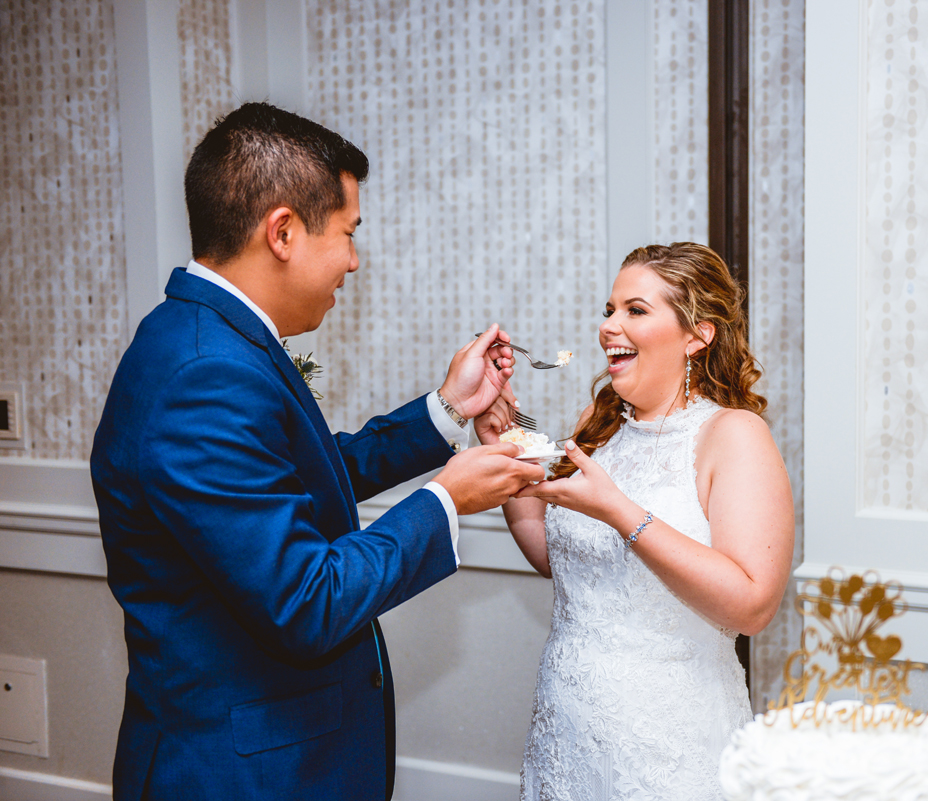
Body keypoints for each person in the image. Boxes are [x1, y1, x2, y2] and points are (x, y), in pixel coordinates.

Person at [90, 102, 544, 801]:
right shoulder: (204, 372)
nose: (355, 261)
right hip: (240, 774)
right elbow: (305, 600)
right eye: (348, 233)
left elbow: (294, 478)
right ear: (283, 232)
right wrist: (448, 499)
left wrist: (447, 410)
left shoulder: (205, 336)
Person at [496, 242, 796, 800]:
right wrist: (500, 442)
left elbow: (754, 605)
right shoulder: (600, 422)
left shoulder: (732, 435)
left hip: (671, 743)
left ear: (697, 334)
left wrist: (622, 512)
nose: (610, 326)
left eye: (635, 310)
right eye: (609, 310)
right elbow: (554, 554)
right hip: (568, 729)